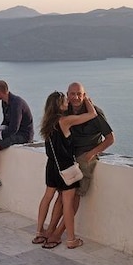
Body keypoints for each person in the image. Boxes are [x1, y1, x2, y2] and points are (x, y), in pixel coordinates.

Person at [47, 82, 114, 236]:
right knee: (61, 195)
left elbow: (110, 138)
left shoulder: (96, 113)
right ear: (67, 95)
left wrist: (92, 153)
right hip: (68, 157)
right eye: (72, 94)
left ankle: (58, 233)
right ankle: (50, 229)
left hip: (85, 157)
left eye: (79, 94)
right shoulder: (65, 111)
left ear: (85, 96)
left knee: (74, 195)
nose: (76, 97)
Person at [34, 91, 96, 250]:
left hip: (51, 166)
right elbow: (92, 114)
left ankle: (40, 232)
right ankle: (71, 239)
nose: (68, 102)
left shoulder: (47, 123)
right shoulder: (65, 121)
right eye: (65, 101)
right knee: (68, 204)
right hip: (66, 167)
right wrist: (87, 99)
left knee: (47, 197)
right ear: (59, 105)